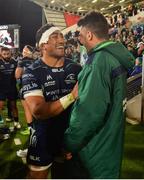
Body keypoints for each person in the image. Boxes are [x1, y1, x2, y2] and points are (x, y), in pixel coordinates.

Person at [64, 11, 134, 179]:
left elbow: (88, 114)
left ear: (89, 34)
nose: (79, 40)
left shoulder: (98, 62)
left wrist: (69, 143)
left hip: (94, 152)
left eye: (80, 35)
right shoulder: (114, 56)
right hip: (110, 146)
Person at [21, 23, 81, 179]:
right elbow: (39, 111)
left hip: (69, 137)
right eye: (55, 37)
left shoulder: (76, 68)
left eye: (61, 36)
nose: (61, 40)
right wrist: (71, 96)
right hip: (43, 137)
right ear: (43, 45)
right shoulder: (32, 71)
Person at [0, 47, 20, 128]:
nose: (6, 56)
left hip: (12, 88)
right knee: (0, 106)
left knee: (13, 106)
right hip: (1, 89)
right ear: (1, 54)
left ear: (10, 53)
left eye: (8, 54)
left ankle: (16, 122)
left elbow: (18, 74)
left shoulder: (15, 62)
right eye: (4, 54)